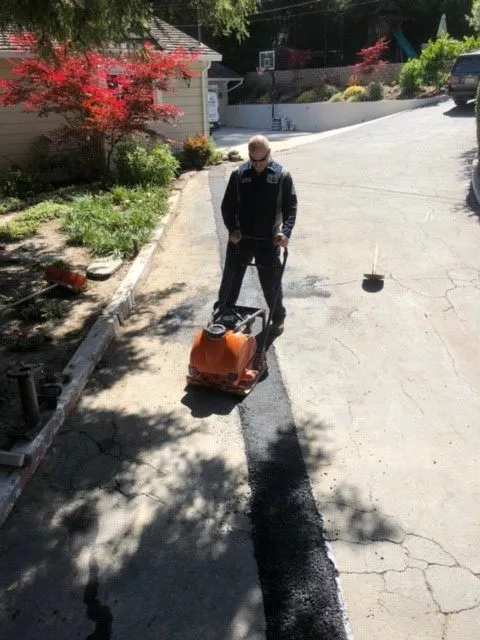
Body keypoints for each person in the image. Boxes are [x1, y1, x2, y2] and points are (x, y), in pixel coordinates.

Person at [214, 135, 297, 335]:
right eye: (254, 160)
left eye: (262, 159)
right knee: (230, 280)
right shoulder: (239, 174)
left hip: (268, 240)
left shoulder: (282, 176)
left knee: (271, 284)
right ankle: (222, 312)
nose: (258, 164)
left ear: (269, 153)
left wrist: (284, 233)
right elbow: (227, 206)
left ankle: (278, 318)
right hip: (241, 238)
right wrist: (232, 230)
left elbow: (290, 208)